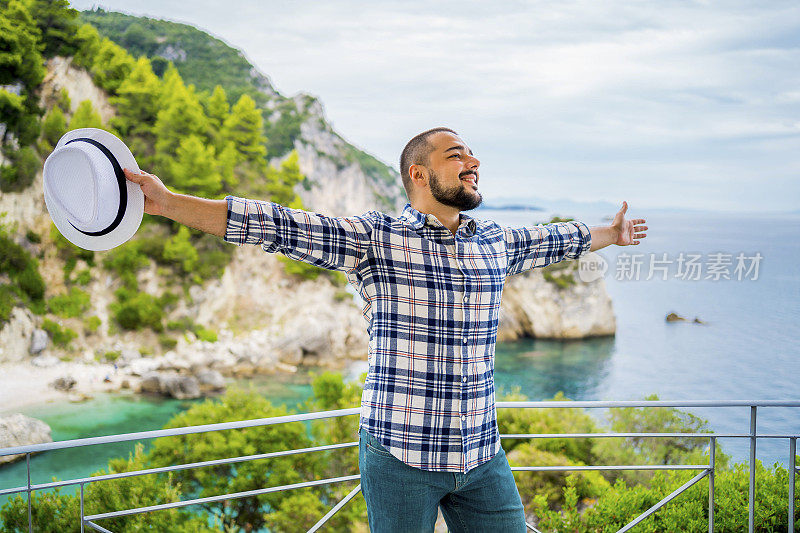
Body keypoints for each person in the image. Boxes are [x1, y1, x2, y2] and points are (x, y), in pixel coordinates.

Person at [124, 127, 647, 532]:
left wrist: (611, 232)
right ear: (419, 174)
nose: (474, 162)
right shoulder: (376, 238)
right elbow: (275, 224)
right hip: (400, 457)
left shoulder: (494, 241)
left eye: (472, 156)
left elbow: (558, 239)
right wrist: (170, 204)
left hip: (482, 453)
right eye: (457, 155)